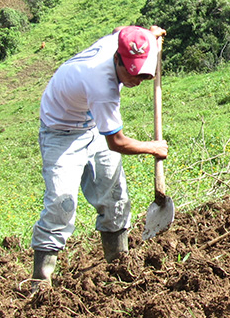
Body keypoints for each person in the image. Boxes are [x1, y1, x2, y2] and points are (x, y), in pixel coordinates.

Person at [29, 25, 168, 286]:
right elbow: (116, 142)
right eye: (131, 73)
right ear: (117, 58)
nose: (136, 80)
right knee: (62, 203)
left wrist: (151, 37)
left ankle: (118, 264)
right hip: (61, 130)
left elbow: (123, 30)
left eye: (142, 75)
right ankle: (41, 280)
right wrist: (153, 147)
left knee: (115, 196)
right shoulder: (102, 85)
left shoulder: (127, 41)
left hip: (91, 122)